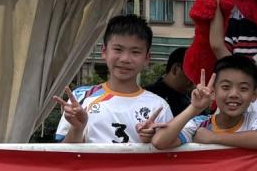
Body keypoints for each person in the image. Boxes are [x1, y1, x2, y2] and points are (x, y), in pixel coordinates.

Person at [54, 15, 173, 144]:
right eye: (118, 49)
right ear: (104, 51)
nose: (125, 59)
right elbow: (62, 153)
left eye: (135, 52)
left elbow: (168, 151)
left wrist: (152, 141)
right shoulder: (80, 97)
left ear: (147, 58)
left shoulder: (159, 106)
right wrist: (77, 128)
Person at [152, 55, 257, 150]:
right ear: (213, 92)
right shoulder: (198, 124)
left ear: (254, 95)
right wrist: (194, 108)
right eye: (226, 87)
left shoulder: (253, 121)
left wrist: (213, 137)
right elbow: (159, 141)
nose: (233, 94)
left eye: (243, 88)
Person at [146, 47, 193, 117]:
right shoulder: (149, 96)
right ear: (175, 69)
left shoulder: (191, 98)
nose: (194, 79)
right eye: (192, 72)